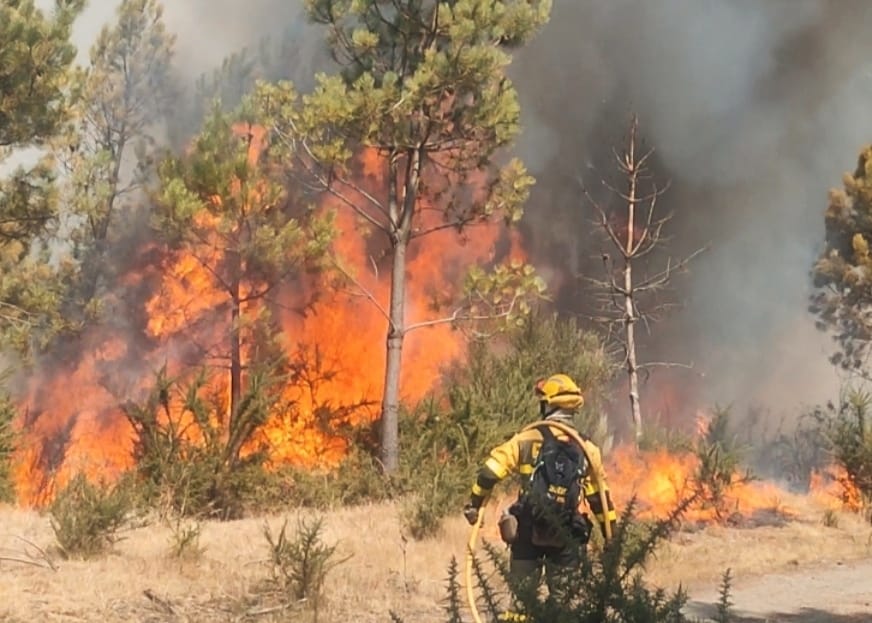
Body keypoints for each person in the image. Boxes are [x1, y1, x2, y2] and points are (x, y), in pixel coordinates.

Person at [463, 373, 617, 589]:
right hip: (566, 533)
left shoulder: (527, 438)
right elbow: (600, 500)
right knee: (565, 600)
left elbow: (490, 472)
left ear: (548, 405)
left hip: (527, 529)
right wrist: (611, 537)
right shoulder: (587, 448)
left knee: (524, 597)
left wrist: (475, 504)